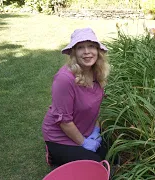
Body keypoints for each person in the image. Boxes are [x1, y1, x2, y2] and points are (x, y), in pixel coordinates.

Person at [42, 27, 110, 167]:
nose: (86, 52)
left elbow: (95, 107)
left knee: (112, 156)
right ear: (74, 53)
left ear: (97, 50)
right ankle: (53, 153)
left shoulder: (97, 73)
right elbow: (64, 122)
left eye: (91, 46)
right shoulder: (64, 79)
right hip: (60, 136)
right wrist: (84, 143)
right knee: (96, 166)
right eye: (80, 47)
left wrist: (96, 131)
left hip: (87, 129)